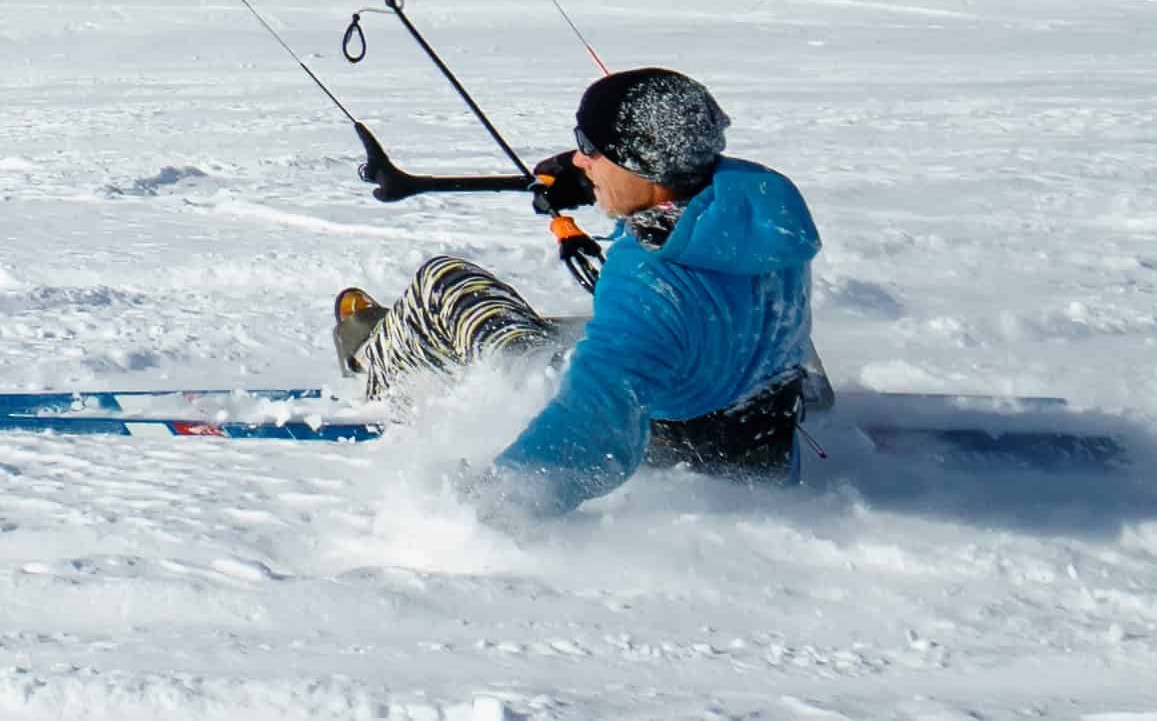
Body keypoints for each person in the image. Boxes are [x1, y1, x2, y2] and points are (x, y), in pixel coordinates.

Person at [333, 66, 824, 513]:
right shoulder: (762, 210)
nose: (578, 158)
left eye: (590, 147)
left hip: (672, 455)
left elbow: (594, 425)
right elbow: (678, 188)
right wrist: (596, 178)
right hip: (757, 434)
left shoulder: (650, 288)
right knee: (584, 330)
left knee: (445, 285)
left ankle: (372, 361)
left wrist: (488, 505)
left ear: (642, 162)